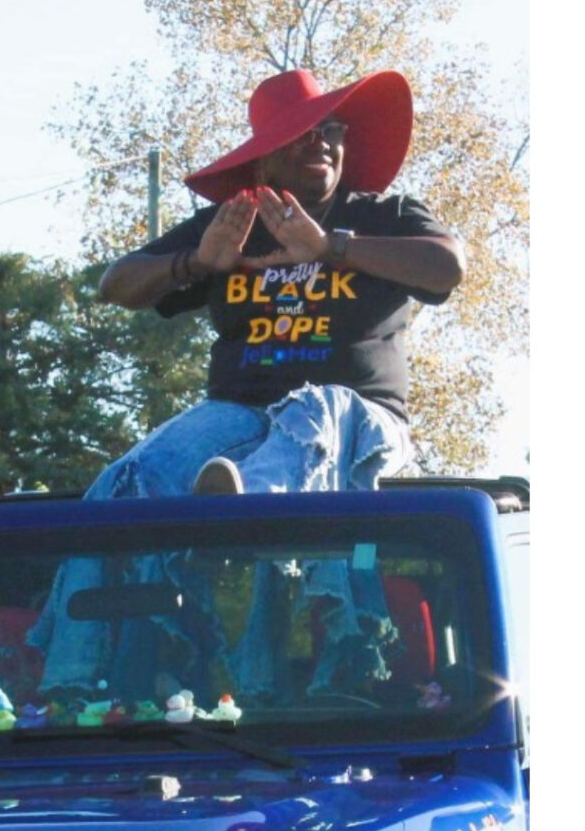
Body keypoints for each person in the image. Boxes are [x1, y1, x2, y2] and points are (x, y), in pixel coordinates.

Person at [27, 68, 464, 704]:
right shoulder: (233, 221)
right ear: (265, 157)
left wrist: (331, 247)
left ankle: (242, 508)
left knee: (319, 411)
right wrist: (196, 263)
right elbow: (114, 285)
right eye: (302, 134)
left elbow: (447, 266)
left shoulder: (384, 215)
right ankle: (79, 678)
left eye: (331, 131)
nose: (322, 143)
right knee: (126, 479)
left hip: (359, 422)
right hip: (238, 414)